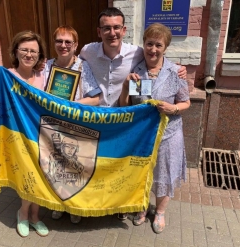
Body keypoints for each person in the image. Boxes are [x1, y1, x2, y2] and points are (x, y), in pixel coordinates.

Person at [80, 7, 187, 220]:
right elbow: (72, 61)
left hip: (130, 125)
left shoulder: (138, 54)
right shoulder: (88, 51)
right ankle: (98, 204)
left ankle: (152, 211)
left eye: (117, 27)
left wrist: (179, 69)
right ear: (99, 31)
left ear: (124, 29)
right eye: (107, 28)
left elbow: (159, 55)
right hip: (100, 118)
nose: (112, 32)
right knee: (104, 165)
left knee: (130, 167)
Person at [118, 23, 190, 234]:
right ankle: (142, 208)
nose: (153, 49)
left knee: (164, 173)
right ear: (144, 44)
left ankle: (159, 212)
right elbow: (126, 107)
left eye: (158, 45)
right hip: (144, 135)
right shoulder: (137, 71)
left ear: (165, 47)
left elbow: (186, 102)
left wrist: (173, 107)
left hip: (169, 133)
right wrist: (125, 85)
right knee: (143, 173)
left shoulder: (176, 72)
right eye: (149, 44)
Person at [0, 30, 49, 238]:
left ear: (39, 54)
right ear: (15, 52)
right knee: (29, 175)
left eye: (33, 51)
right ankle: (25, 214)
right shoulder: (4, 76)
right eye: (24, 50)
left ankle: (35, 215)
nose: (29, 55)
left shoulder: (43, 76)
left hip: (41, 136)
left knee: (41, 176)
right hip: (16, 137)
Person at [45, 25, 101, 224]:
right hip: (51, 127)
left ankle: (74, 206)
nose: (63, 45)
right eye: (59, 41)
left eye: (68, 42)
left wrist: (73, 104)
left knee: (74, 168)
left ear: (76, 45)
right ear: (54, 43)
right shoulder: (46, 66)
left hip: (76, 127)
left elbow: (97, 98)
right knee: (56, 166)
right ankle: (58, 204)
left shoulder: (83, 67)